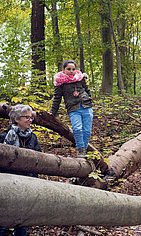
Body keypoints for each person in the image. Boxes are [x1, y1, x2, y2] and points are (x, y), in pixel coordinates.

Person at [0, 104, 41, 236]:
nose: (30, 120)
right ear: (17, 119)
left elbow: (39, 159)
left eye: (31, 118)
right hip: (8, 184)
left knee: (24, 220)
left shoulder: (33, 137)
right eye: (26, 117)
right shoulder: (4, 136)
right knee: (4, 218)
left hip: (28, 183)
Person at [50, 60, 93, 158]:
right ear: (64, 70)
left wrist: (89, 99)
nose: (71, 71)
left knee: (87, 131)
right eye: (68, 69)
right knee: (77, 129)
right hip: (73, 108)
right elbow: (57, 98)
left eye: (73, 69)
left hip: (86, 106)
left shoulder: (80, 78)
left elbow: (86, 89)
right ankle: (80, 149)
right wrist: (52, 112)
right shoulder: (60, 83)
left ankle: (84, 150)